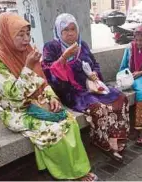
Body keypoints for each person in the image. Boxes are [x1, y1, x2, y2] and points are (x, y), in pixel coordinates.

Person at [0, 12, 97, 181]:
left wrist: (52, 99)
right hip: (15, 111)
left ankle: (78, 168)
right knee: (54, 131)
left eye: (27, 34)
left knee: (69, 120)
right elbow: (13, 94)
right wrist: (28, 66)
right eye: (20, 35)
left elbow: (43, 81)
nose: (26, 39)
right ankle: (67, 174)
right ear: (6, 34)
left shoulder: (27, 50)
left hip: (37, 102)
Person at [42, 13, 129, 161]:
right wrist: (64, 58)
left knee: (121, 98)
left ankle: (115, 137)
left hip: (91, 86)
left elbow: (94, 63)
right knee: (98, 107)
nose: (70, 34)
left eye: (73, 29)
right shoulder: (51, 47)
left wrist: (94, 73)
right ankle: (102, 141)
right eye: (65, 30)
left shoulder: (83, 45)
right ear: (58, 31)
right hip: (71, 91)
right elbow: (49, 74)